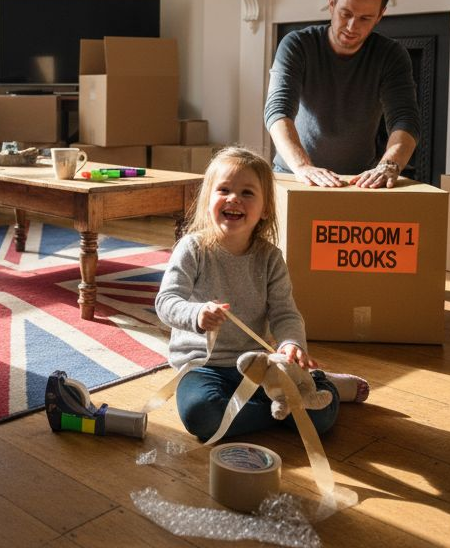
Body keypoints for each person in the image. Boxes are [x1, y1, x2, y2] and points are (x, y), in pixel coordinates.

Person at [154, 147, 368, 442]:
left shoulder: (270, 258)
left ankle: (317, 384)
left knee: (322, 418)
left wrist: (291, 344)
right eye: (224, 189)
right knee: (201, 414)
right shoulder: (192, 249)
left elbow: (284, 312)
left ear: (266, 208)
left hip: (258, 364)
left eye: (247, 193)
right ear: (208, 200)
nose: (234, 198)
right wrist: (197, 313)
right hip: (202, 367)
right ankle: (289, 403)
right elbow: (166, 302)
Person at [264, 0, 420, 189]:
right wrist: (302, 167)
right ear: (331, 4)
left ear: (380, 16)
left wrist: (389, 165)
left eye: (365, 18)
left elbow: (405, 119)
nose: (351, 26)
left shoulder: (391, 55)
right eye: (345, 13)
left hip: (357, 181)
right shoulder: (297, 44)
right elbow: (277, 110)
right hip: (294, 174)